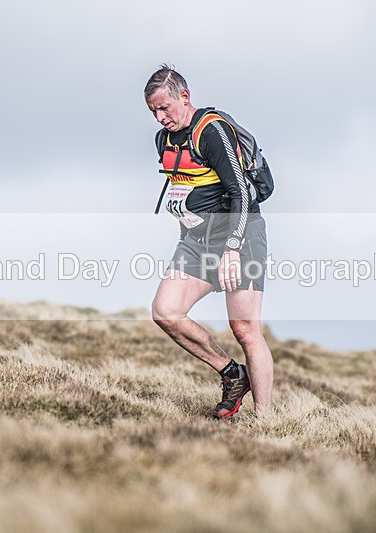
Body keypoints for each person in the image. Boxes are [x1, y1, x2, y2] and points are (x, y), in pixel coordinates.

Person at [144, 64, 274, 418]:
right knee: (165, 312)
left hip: (240, 236)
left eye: (164, 108)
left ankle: (266, 419)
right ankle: (233, 374)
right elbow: (185, 189)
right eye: (153, 111)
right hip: (197, 240)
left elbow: (242, 195)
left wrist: (232, 248)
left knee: (245, 329)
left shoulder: (211, 131)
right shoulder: (164, 139)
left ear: (184, 97)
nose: (160, 118)